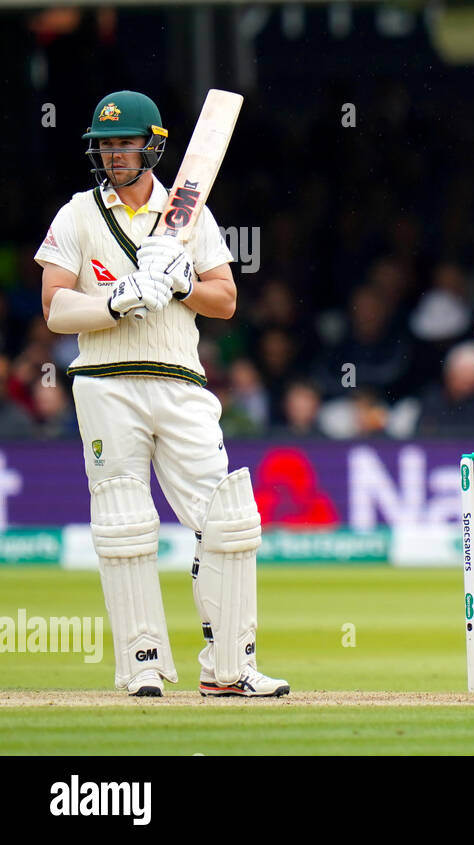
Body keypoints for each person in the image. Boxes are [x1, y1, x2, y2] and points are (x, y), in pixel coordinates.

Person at [35, 90, 288, 698]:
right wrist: (115, 302)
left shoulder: (190, 214)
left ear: (152, 145)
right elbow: (54, 309)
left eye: (124, 142)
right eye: (105, 143)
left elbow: (225, 300)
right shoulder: (76, 214)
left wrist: (180, 286)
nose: (113, 153)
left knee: (227, 520)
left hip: (180, 380)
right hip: (106, 382)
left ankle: (230, 667)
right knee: (124, 523)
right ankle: (141, 663)